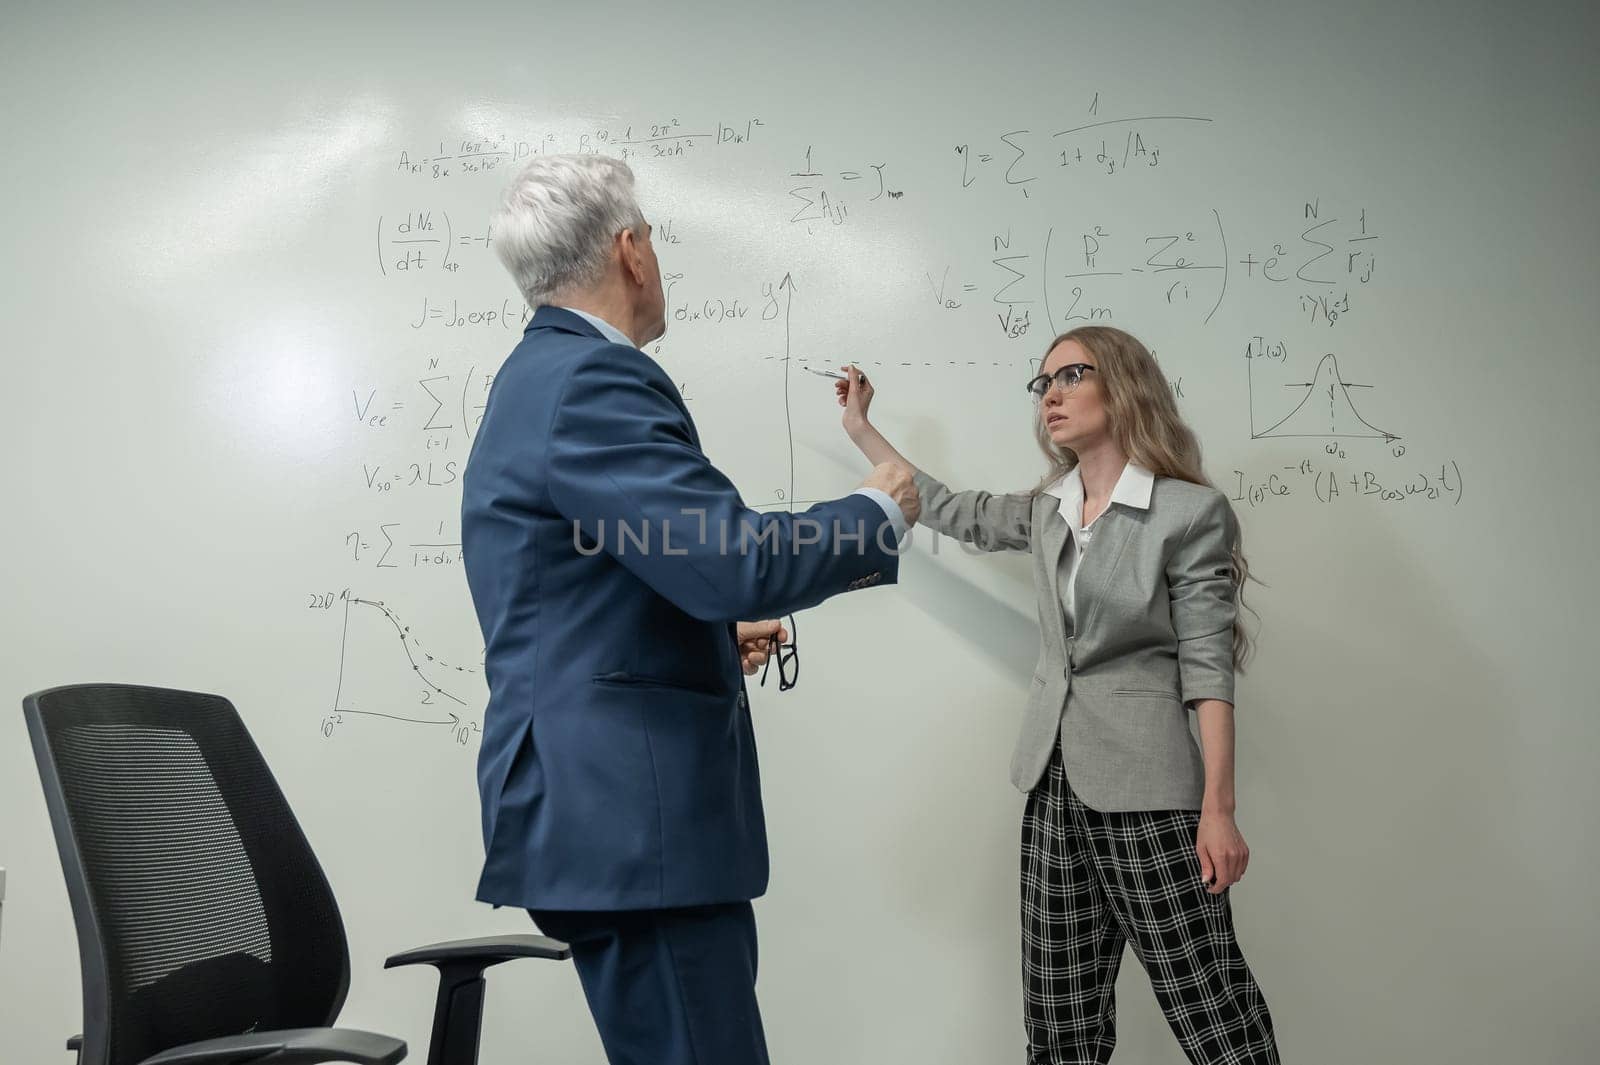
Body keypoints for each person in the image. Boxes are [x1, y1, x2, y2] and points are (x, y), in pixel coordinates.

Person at [461, 153, 921, 1065]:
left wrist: (705, 630)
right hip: (635, 823)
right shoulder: (593, 381)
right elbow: (732, 560)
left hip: (616, 816)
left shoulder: (542, 379)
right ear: (630, 250)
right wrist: (877, 512)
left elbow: (603, 577)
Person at [834, 325, 1279, 1064]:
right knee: (1059, 1025)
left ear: (1124, 382)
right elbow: (944, 507)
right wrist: (861, 428)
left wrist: (1219, 808)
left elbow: (1207, 666)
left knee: (1215, 1013)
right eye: (1043, 383)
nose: (1052, 395)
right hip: (1052, 787)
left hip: (1150, 793)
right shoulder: (1049, 511)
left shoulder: (1186, 512)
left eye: (1072, 374)